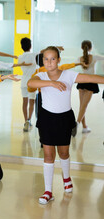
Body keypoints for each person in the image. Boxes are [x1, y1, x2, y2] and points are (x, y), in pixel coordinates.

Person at [27, 46, 104, 205]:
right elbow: (30, 83)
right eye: (45, 59)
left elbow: (91, 78)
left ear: (59, 60)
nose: (49, 62)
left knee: (63, 153)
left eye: (52, 59)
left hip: (64, 119)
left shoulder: (69, 75)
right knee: (48, 155)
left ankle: (66, 177)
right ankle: (48, 190)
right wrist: (52, 83)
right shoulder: (40, 75)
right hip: (47, 119)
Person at [73, 40, 104, 136]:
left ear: (82, 48)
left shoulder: (79, 58)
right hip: (91, 82)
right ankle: (77, 123)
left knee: (82, 105)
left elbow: (74, 64)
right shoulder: (94, 57)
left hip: (82, 82)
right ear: (91, 48)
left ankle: (85, 127)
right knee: (84, 106)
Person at [18, 38, 38, 132]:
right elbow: (43, 51)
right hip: (32, 82)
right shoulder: (34, 55)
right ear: (30, 46)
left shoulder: (20, 57)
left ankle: (26, 121)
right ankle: (29, 120)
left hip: (24, 82)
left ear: (22, 47)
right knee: (32, 102)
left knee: (24, 102)